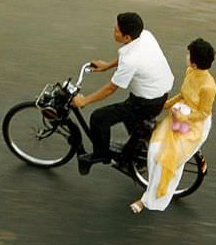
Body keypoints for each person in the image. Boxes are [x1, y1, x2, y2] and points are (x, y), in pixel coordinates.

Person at [72, 12, 174, 176]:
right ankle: (137, 149)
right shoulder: (145, 36)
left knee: (99, 118)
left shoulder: (131, 60)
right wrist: (107, 66)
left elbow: (111, 88)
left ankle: (102, 154)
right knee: (131, 121)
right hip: (159, 93)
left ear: (126, 37)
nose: (114, 30)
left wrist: (84, 101)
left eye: (117, 30)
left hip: (145, 102)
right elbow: (126, 55)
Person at [130, 38, 216, 214]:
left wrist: (184, 118)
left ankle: (147, 200)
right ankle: (151, 187)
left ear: (194, 61)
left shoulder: (209, 87)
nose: (186, 56)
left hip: (194, 125)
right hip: (179, 115)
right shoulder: (190, 72)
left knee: (166, 160)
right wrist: (165, 104)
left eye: (188, 55)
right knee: (153, 151)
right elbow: (183, 94)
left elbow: (203, 113)